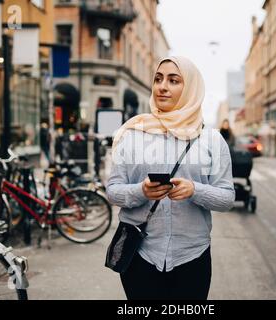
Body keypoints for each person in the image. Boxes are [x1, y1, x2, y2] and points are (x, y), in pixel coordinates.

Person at [106, 56, 235, 300]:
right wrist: (140, 191)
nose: (162, 86)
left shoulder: (211, 140)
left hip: (192, 256)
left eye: (174, 80)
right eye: (158, 78)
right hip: (140, 255)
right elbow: (113, 191)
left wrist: (195, 190)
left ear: (190, 89)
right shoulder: (132, 135)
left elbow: (227, 198)